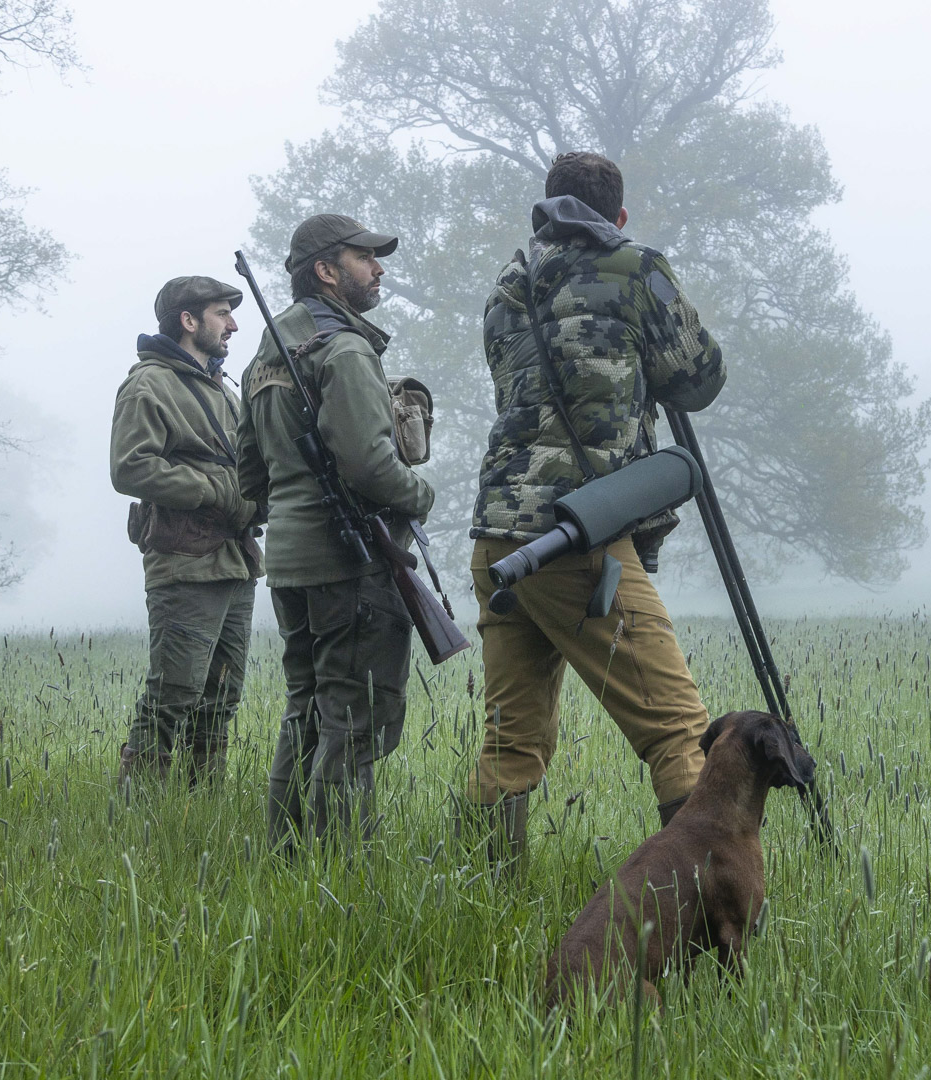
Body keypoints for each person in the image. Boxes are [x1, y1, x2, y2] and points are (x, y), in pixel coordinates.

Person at [468, 151, 726, 875]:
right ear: (617, 216)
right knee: (679, 733)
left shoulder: (507, 286)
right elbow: (697, 379)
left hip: (497, 538)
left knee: (509, 745)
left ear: (547, 208)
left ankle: (486, 896)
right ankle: (700, 910)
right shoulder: (636, 266)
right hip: (577, 537)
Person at [237, 214, 435, 850]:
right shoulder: (344, 349)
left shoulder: (266, 353)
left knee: (307, 709)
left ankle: (286, 854)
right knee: (355, 720)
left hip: (291, 561)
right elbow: (369, 463)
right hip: (351, 561)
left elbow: (249, 474)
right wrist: (421, 495)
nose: (378, 269)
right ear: (326, 270)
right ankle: (339, 870)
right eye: (364, 258)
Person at [110, 275, 262, 784]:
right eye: (222, 313)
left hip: (235, 560)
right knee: (173, 694)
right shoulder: (148, 383)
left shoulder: (222, 389)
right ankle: (139, 813)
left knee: (221, 697)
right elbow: (130, 468)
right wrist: (217, 490)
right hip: (184, 561)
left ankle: (202, 809)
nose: (233, 324)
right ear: (188, 320)